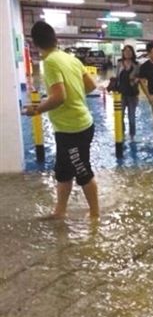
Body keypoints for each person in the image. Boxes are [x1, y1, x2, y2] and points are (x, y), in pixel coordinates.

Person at [23, 21, 99, 219]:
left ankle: (95, 215)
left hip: (74, 129)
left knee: (83, 172)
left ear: (35, 44)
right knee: (63, 172)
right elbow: (91, 85)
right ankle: (60, 211)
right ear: (55, 39)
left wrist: (37, 109)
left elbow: (59, 97)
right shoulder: (70, 58)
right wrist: (75, 94)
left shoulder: (50, 63)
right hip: (72, 126)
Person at [117, 45, 140, 141]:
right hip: (121, 94)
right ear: (123, 53)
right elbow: (116, 77)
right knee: (120, 115)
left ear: (132, 53)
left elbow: (140, 78)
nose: (127, 53)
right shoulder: (119, 63)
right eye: (125, 51)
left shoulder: (136, 65)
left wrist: (135, 81)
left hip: (132, 95)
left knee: (131, 117)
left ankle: (132, 136)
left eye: (129, 51)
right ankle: (122, 134)